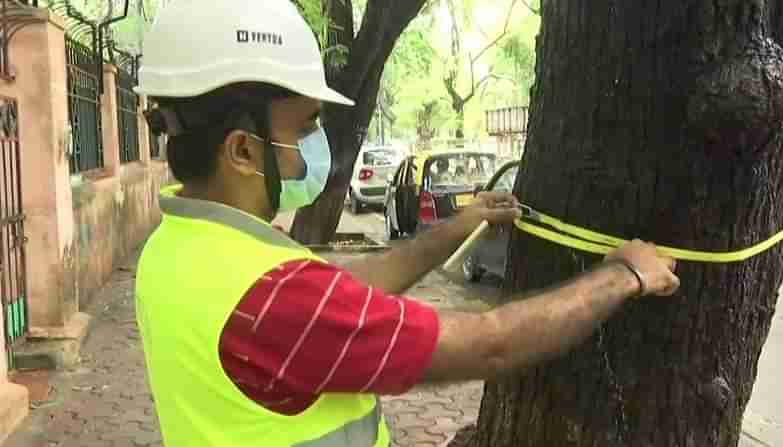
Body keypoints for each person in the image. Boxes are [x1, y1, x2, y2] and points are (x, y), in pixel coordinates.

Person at [134, 1, 680, 446]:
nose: (311, 150)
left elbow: (345, 295)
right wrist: (623, 275)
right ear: (243, 152)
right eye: (302, 131)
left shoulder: (176, 249)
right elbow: (489, 345)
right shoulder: (271, 297)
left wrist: (459, 224)